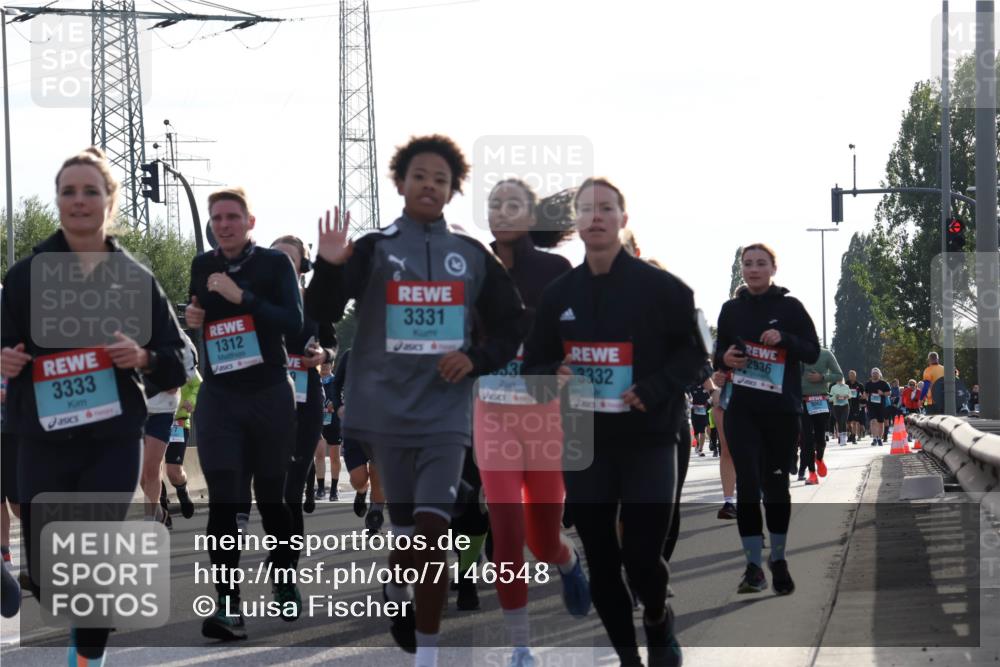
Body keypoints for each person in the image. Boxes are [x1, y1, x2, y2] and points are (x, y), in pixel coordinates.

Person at [306, 135, 524, 667]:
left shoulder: (471, 254)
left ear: (453, 191)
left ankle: (426, 656)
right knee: (407, 536)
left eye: (441, 179)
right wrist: (330, 266)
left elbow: (512, 324)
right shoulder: (376, 247)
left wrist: (474, 358)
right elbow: (320, 311)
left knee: (433, 533)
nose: (430, 185)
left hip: (446, 414)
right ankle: (397, 585)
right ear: (400, 182)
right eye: (419, 175)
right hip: (383, 413)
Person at [1, 147, 186, 665]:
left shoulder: (133, 279)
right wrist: (8, 358)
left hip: (111, 437)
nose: (79, 201)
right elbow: (4, 341)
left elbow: (180, 357)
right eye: (68, 192)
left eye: (91, 191)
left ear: (110, 201)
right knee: (48, 565)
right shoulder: (24, 277)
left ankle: (88, 660)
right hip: (41, 438)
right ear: (57, 201)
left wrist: (145, 355)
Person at [523, 177, 707, 667]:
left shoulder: (662, 289)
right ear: (577, 223)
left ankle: (657, 618)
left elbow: (697, 357)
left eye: (606, 208)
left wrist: (654, 387)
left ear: (624, 219)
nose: (597, 217)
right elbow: (532, 368)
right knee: (602, 557)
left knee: (643, 558)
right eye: (587, 209)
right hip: (586, 440)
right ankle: (628, 658)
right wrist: (553, 374)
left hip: (650, 437)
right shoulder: (559, 293)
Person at [469, 178, 588, 664]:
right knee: (505, 530)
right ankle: (520, 645)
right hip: (492, 411)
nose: (501, 212)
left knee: (541, 539)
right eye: (494, 204)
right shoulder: (472, 266)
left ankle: (567, 559)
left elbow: (579, 335)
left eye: (512, 205)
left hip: (544, 414)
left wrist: (568, 366)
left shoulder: (555, 270)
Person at [185, 187, 304, 640]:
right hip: (220, 398)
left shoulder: (273, 265)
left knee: (271, 498)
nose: (224, 224)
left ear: (250, 222)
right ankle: (228, 605)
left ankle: (285, 575)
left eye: (233, 216)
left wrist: (242, 298)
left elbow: (292, 323)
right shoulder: (202, 264)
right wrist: (195, 317)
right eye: (217, 217)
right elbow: (199, 311)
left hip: (269, 392)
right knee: (225, 501)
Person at [715, 243, 820, 597]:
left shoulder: (790, 307)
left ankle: (778, 558)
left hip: (781, 411)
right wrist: (727, 358)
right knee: (747, 486)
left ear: (773, 268)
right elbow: (719, 356)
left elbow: (812, 350)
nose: (754, 269)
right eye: (748, 264)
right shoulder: (731, 310)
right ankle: (752, 567)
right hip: (742, 411)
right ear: (742, 269)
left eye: (761, 263)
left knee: (776, 488)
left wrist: (784, 339)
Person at [271, 235, 337, 562]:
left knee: (291, 488)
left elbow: (332, 346)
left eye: (289, 259)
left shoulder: (315, 302)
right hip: (266, 400)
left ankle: (288, 558)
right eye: (275, 257)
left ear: (303, 266)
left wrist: (323, 354)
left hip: (306, 396)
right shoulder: (255, 301)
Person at [331, 349, 386, 533]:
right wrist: (339, 407)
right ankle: (361, 491)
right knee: (359, 479)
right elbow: (335, 384)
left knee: (379, 472)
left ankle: (375, 515)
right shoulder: (350, 355)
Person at [163, 337, 201, 520]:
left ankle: (183, 492)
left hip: (177, 422)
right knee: (149, 470)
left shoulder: (183, 361)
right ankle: (161, 513)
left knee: (173, 472)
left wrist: (191, 400)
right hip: (151, 420)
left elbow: (197, 385)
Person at [798, 346, 843, 484]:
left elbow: (839, 375)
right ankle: (812, 473)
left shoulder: (826, 354)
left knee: (820, 438)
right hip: (803, 401)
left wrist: (822, 377)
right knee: (807, 439)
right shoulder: (798, 353)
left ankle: (819, 458)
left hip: (821, 400)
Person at [863, 368, 891, 447]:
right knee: (873, 421)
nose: (875, 374)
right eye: (873, 373)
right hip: (871, 405)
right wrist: (865, 395)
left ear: (879, 374)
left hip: (881, 405)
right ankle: (874, 438)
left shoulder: (883, 383)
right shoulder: (868, 384)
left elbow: (889, 393)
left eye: (876, 373)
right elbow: (865, 393)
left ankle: (879, 438)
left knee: (880, 422)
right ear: (871, 374)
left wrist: (882, 393)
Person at [829, 377, 852, 446]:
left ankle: (844, 439)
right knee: (839, 422)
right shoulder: (833, 387)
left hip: (845, 405)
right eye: (838, 378)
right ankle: (841, 438)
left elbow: (850, 395)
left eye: (841, 378)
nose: (840, 379)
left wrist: (847, 396)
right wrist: (835, 397)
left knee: (843, 421)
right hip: (836, 406)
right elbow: (830, 399)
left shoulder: (846, 386)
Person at [845, 370, 866, 443]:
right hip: (847, 404)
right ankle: (850, 434)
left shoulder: (859, 385)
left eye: (853, 375)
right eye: (850, 375)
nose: (851, 377)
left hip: (856, 405)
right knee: (848, 422)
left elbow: (864, 395)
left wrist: (861, 397)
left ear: (855, 376)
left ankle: (853, 436)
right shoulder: (846, 384)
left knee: (854, 421)